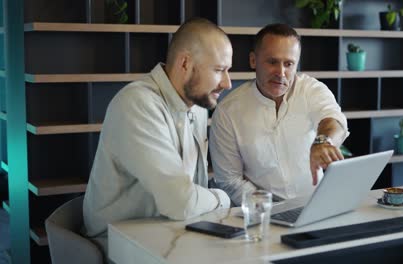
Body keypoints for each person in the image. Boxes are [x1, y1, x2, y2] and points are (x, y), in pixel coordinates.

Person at [82, 18, 233, 253]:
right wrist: (222, 198)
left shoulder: (197, 106)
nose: (227, 82)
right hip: (117, 243)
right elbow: (180, 202)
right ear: (185, 63)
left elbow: (189, 197)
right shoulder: (137, 104)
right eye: (219, 70)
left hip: (173, 233)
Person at [209, 23, 349, 206]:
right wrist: (271, 210)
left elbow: (334, 121)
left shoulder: (312, 90)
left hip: (318, 204)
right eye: (272, 62)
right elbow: (229, 181)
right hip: (261, 213)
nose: (281, 73)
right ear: (253, 61)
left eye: (288, 64)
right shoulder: (227, 111)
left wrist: (324, 141)